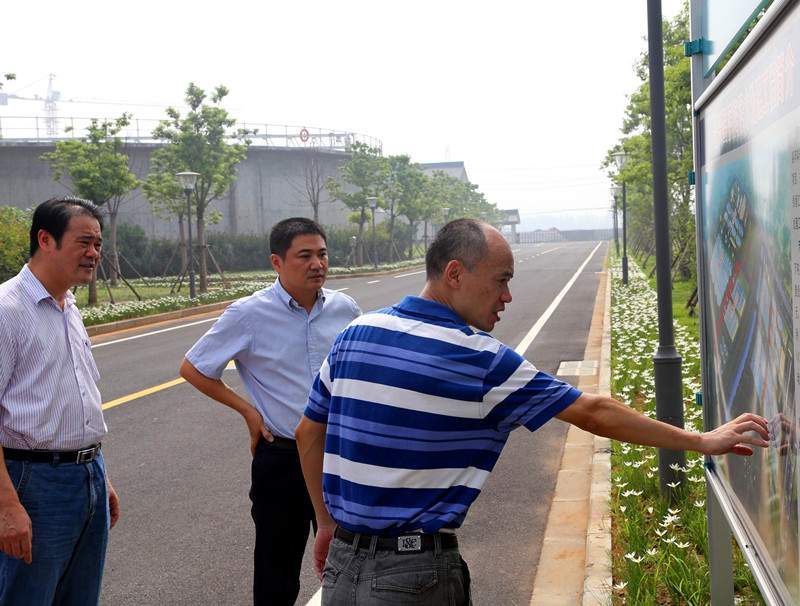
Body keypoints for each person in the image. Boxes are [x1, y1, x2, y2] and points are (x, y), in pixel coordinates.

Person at [295, 218, 770, 605]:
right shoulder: (479, 358)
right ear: (455, 274)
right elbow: (593, 412)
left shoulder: (356, 333)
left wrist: (327, 523)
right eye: (501, 281)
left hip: (341, 565)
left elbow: (307, 432)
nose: (506, 297)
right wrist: (701, 440)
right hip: (412, 576)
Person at [180, 217, 361, 606]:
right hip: (283, 461)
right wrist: (248, 412)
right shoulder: (248, 314)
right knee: (277, 573)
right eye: (305, 256)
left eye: (323, 254)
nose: (318, 264)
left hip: (340, 457)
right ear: (277, 262)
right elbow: (194, 368)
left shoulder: (345, 308)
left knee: (353, 566)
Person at [0, 196, 120, 605]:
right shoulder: (7, 310)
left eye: (98, 244)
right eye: (84, 242)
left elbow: (77, 398)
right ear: (45, 240)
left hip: (87, 478)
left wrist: (98, 476)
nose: (93, 253)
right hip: (32, 484)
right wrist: (6, 505)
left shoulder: (68, 307)